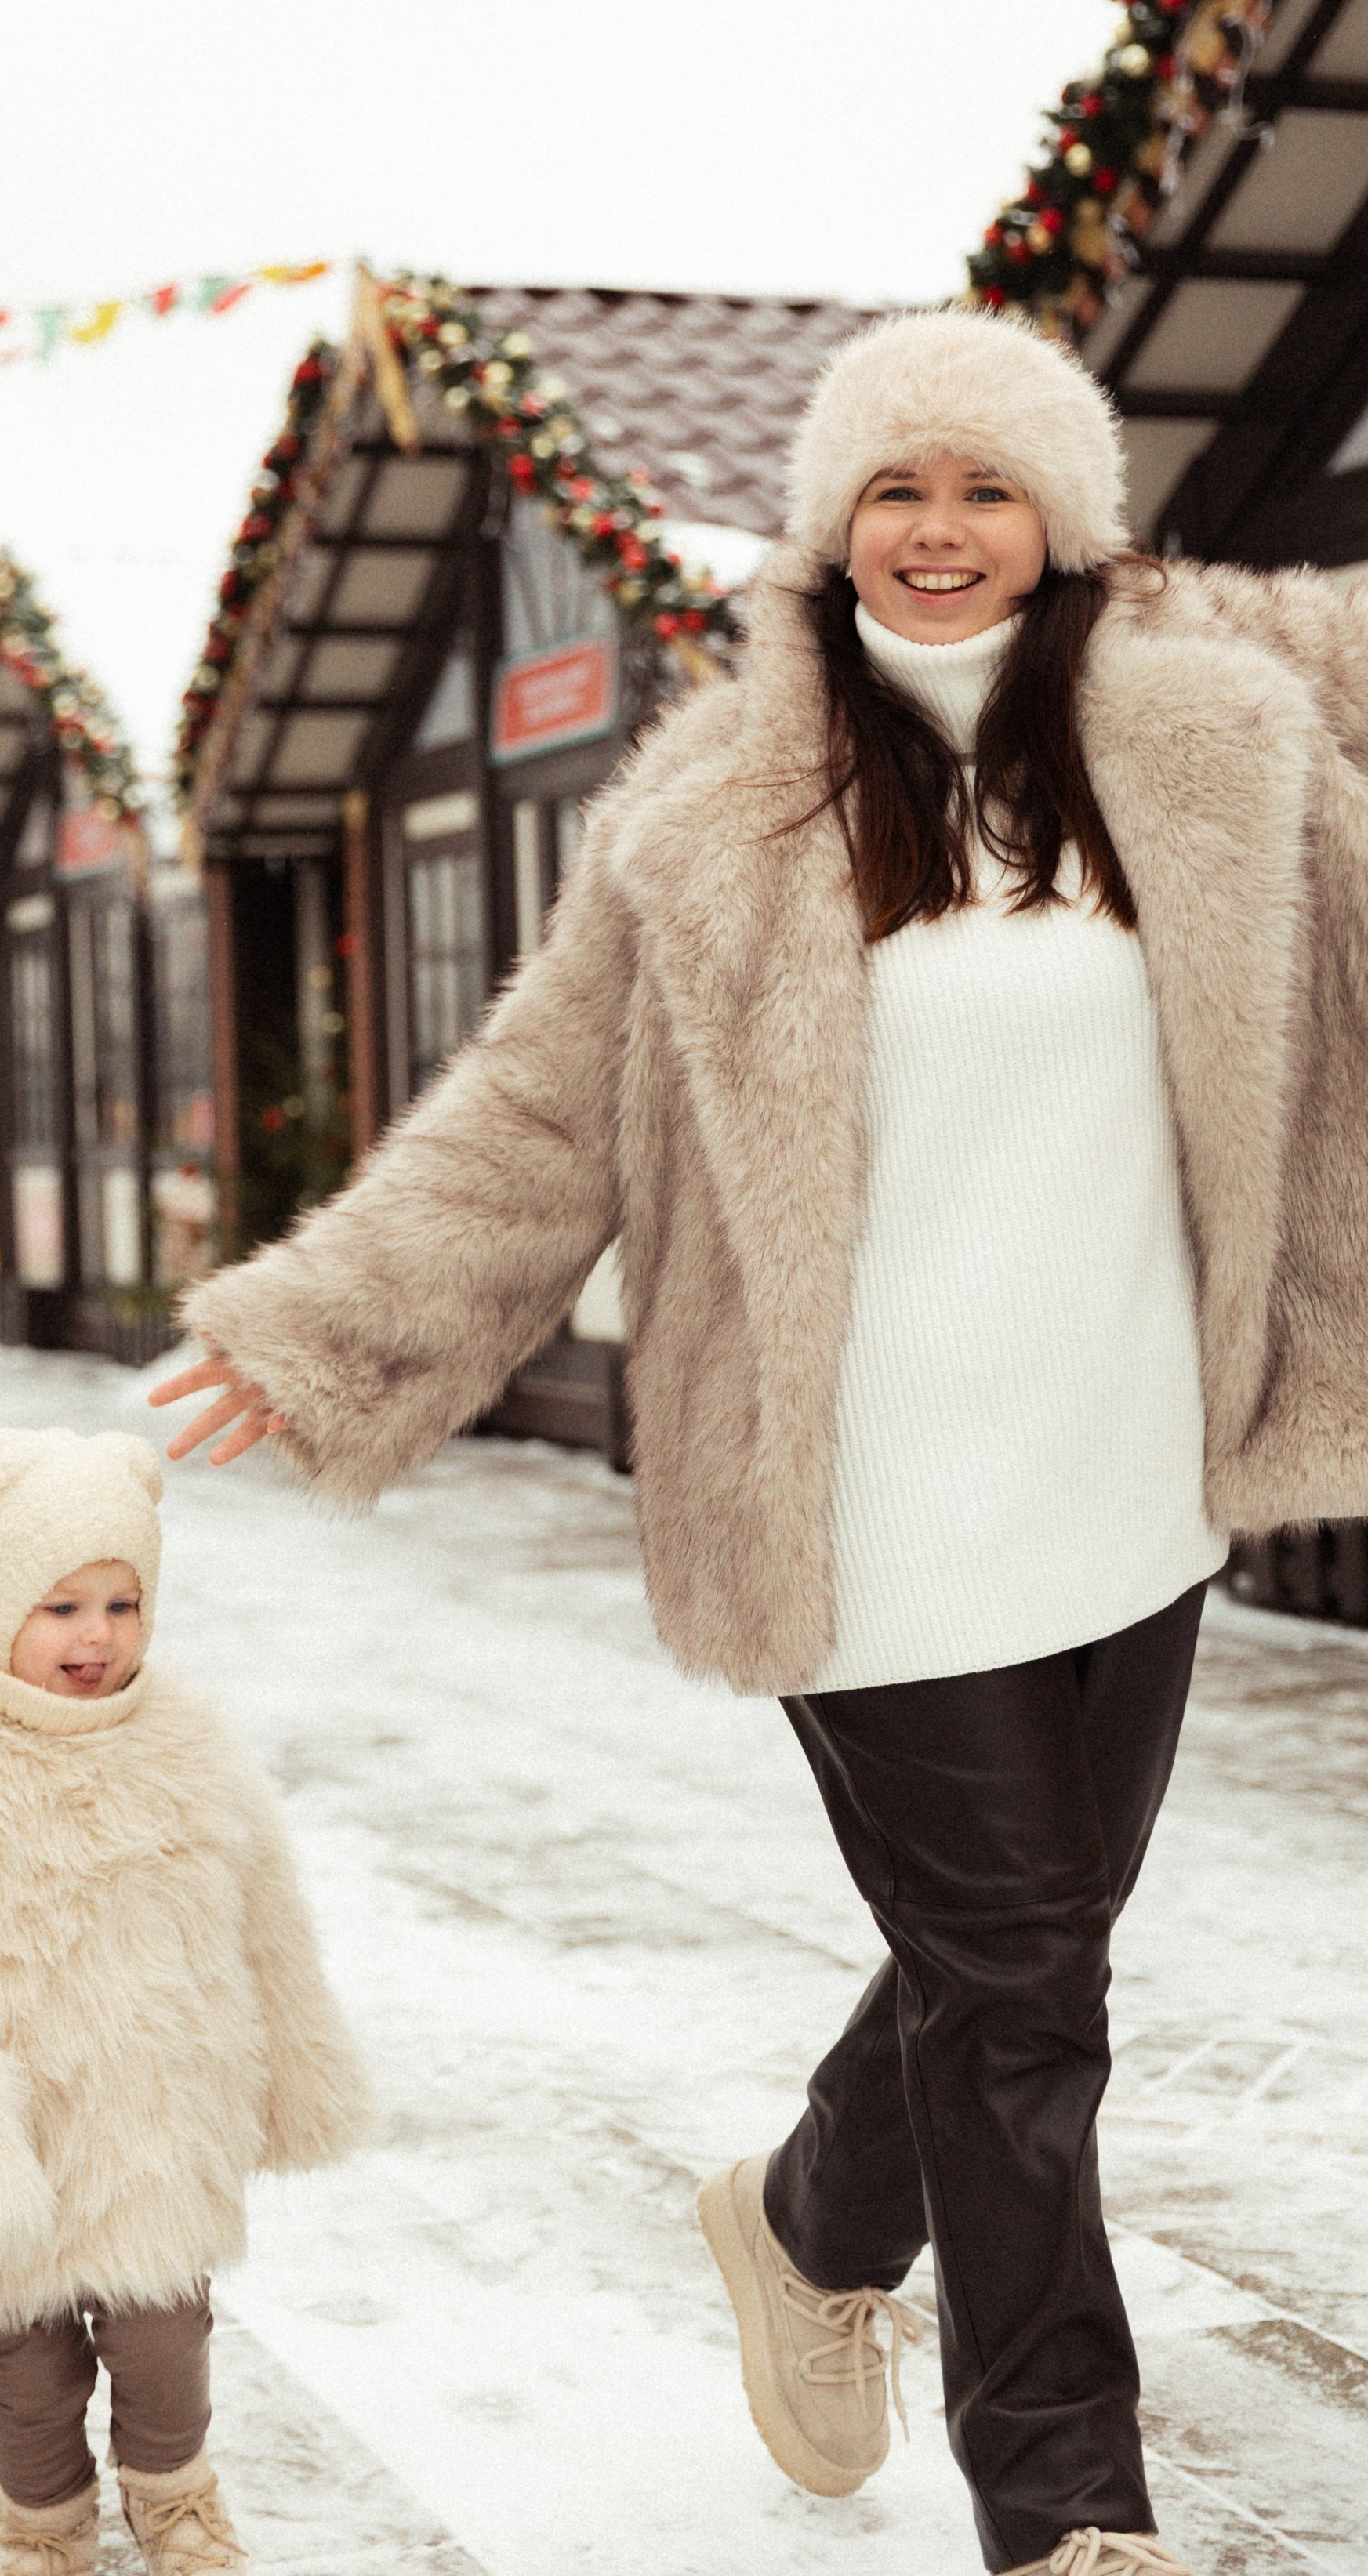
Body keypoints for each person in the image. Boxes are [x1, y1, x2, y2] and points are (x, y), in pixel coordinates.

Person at [151, 307, 1368, 2576]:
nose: (938, 531)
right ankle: (1070, 2515)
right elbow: (533, 1122)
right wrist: (332, 1326)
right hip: (861, 1504)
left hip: (1128, 1477)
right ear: (826, 530)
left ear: (1067, 520)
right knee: (1027, 2009)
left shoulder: (1217, 743)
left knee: (1008, 1955)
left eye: (987, 486)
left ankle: (813, 2222)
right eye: (893, 492)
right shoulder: (715, 818)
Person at [0, 1426, 373, 2575]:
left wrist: (301, 2074)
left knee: (164, 2330)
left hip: (156, 2116)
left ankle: (176, 2498)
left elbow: (268, 1916)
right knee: (23, 2357)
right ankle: (45, 2521)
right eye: (59, 1608)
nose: (96, 1637)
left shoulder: (184, 1740)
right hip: (6, 2139)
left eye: (122, 1604)